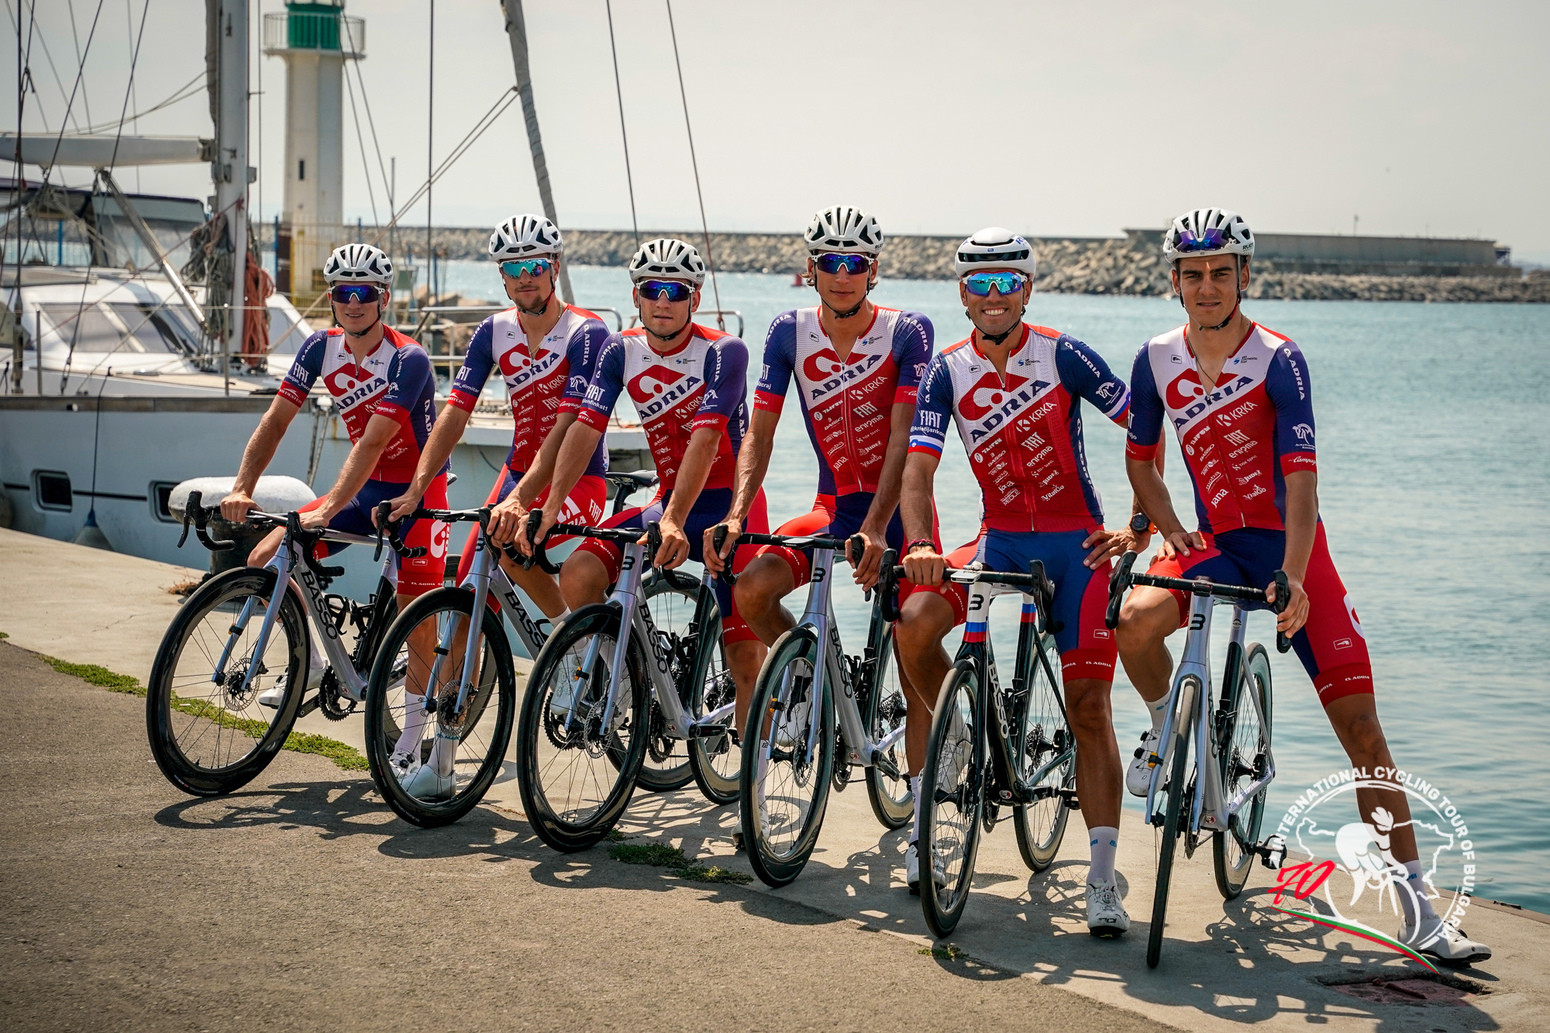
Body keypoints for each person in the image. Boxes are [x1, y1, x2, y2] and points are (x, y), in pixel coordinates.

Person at [1117, 206, 1490, 964]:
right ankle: (1165, 727)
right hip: (1216, 546)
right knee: (1132, 619)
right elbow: (1141, 459)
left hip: (1292, 549)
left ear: (1244, 276)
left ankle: (1418, 908)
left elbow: (1301, 480)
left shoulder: (1280, 358)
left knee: (1361, 729)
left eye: (1223, 272)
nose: (1209, 286)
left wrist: (1292, 575)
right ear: (1175, 282)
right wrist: (1166, 526)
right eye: (1194, 274)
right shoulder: (1155, 358)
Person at [894, 228, 1139, 931]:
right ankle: (959, 729)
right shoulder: (945, 370)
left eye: (1007, 283)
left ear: (1027, 289)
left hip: (1077, 544)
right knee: (912, 625)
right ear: (962, 293)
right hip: (999, 535)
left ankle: (1100, 878)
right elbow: (918, 471)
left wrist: (1138, 526)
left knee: (1089, 707)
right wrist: (918, 543)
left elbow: (1142, 425)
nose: (993, 296)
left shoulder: (1062, 353)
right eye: (980, 284)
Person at [704, 203, 935, 857]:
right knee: (753, 588)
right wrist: (733, 511)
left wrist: (882, 528)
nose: (842, 275)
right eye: (830, 263)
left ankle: (919, 818)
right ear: (811, 269)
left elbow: (902, 440)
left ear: (874, 271)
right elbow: (762, 433)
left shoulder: (905, 332)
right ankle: (807, 676)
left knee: (913, 643)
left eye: (855, 264)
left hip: (897, 515)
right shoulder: (787, 332)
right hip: (832, 505)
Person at [220, 242, 452, 795]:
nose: (353, 302)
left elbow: (374, 441)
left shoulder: (409, 358)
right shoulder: (318, 348)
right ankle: (323, 662)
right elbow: (277, 420)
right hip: (364, 486)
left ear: (383, 298)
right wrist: (241, 487)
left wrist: (326, 505)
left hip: (419, 491)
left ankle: (413, 743)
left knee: (413, 613)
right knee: (268, 556)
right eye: (344, 292)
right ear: (331, 297)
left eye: (364, 293)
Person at [519, 238, 769, 728]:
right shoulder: (621, 350)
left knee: (743, 663)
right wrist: (549, 506)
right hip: (667, 501)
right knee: (581, 571)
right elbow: (584, 428)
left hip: (727, 511)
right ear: (636, 295)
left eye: (676, 291)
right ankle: (625, 676)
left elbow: (707, 438)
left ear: (694, 298)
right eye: (652, 289)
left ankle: (749, 774)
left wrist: (675, 518)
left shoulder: (724, 351)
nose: (663, 300)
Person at [386, 214, 610, 626]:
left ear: (555, 268)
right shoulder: (493, 330)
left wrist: (519, 500)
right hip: (514, 475)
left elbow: (565, 428)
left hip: (578, 478)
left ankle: (571, 641)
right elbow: (454, 413)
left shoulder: (587, 331)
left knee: (508, 544)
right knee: (469, 595)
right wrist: (417, 488)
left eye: (536, 266)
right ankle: (456, 690)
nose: (525, 277)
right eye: (512, 268)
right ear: (502, 277)